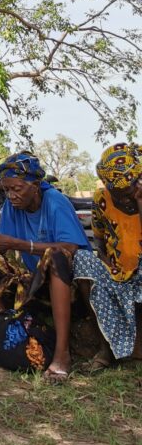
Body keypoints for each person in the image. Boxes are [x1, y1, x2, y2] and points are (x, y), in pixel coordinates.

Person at [0, 151, 90, 382]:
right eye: (6, 190)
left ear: (35, 185)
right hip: (32, 278)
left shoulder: (55, 201)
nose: (11, 196)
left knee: (56, 255)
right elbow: (5, 243)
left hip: (66, 281)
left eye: (17, 189)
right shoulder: (13, 207)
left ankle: (62, 354)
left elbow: (70, 248)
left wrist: (18, 244)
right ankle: (4, 322)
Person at [72, 143, 142, 369]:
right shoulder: (102, 198)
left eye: (128, 192)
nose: (123, 198)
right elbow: (100, 239)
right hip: (117, 271)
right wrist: (104, 261)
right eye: (117, 193)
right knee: (83, 260)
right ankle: (106, 349)